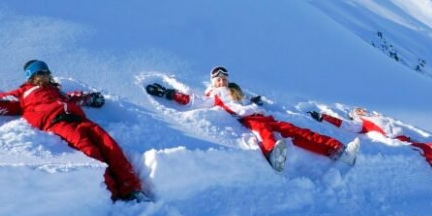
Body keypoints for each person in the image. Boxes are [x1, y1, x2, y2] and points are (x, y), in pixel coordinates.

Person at [0, 60, 145, 202]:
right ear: (32, 76)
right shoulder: (24, 93)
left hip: (81, 121)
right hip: (59, 124)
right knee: (92, 152)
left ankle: (131, 189)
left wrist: (91, 98)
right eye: (40, 74)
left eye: (46, 73)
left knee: (110, 147)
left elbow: (75, 98)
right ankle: (111, 193)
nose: (44, 76)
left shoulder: (59, 92)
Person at [145, 66, 360, 172]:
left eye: (224, 79)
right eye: (218, 79)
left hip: (263, 115)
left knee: (298, 132)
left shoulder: (237, 91)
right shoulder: (213, 94)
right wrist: (170, 94)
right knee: (263, 133)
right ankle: (272, 153)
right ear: (213, 81)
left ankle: (336, 149)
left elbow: (250, 101)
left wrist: (255, 102)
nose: (221, 82)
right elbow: (194, 101)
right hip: (247, 119)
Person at [308, 107, 432, 190]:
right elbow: (343, 124)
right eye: (357, 111)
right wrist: (323, 117)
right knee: (427, 152)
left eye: (361, 109)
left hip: (408, 138)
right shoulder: (361, 123)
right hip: (400, 143)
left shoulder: (377, 116)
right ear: (355, 115)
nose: (362, 110)